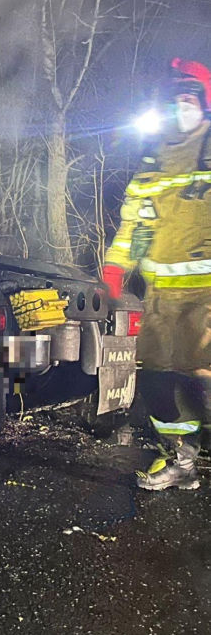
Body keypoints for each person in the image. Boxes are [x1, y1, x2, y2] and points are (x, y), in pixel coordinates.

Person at [103, 58, 211, 490]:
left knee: (202, 380)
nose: (181, 106)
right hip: (161, 300)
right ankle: (181, 458)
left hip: (207, 296)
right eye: (175, 99)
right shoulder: (151, 168)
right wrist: (114, 268)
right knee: (153, 380)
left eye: (190, 97)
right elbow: (132, 228)